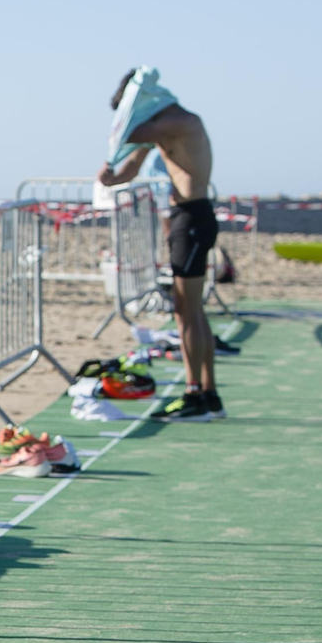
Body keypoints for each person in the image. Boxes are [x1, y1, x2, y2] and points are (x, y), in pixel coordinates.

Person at [96, 67, 223, 422]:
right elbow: (130, 165)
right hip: (186, 218)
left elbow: (127, 134)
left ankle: (195, 393)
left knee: (188, 313)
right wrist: (112, 177)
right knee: (191, 311)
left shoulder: (179, 121)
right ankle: (209, 394)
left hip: (193, 218)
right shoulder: (161, 126)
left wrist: (126, 121)